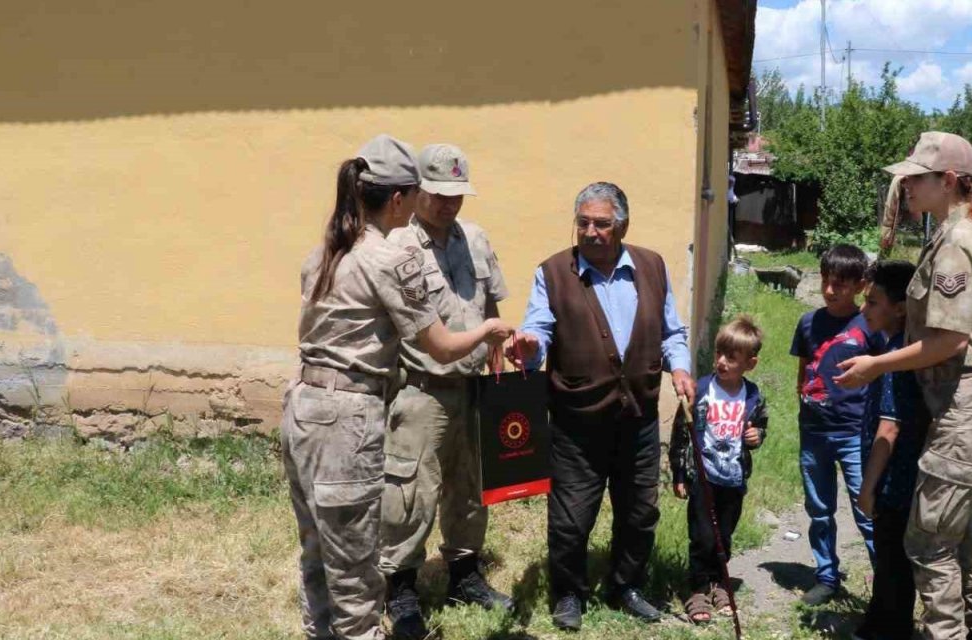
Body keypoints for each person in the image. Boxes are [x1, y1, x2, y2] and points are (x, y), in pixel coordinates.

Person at [282, 134, 512, 640]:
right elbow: (442, 346)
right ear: (400, 198)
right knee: (357, 568)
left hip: (303, 406)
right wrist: (489, 332)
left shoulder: (325, 249)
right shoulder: (390, 257)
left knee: (318, 555)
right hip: (347, 414)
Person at [836, 131, 972, 640]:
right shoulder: (956, 232)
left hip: (968, 407)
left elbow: (948, 341)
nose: (907, 185)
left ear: (950, 181)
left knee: (929, 541)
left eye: (917, 177)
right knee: (970, 534)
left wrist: (876, 365)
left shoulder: (959, 242)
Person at [506, 182, 695, 631]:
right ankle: (569, 592)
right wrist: (530, 348)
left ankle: (626, 585)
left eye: (601, 223)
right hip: (577, 421)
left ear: (622, 225)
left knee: (639, 512)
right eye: (583, 222)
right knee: (571, 518)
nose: (590, 232)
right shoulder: (553, 272)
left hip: (639, 418)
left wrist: (682, 368)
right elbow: (538, 331)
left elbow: (671, 332)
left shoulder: (651, 266)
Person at [378, 144, 513, 640]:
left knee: (471, 487)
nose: (449, 204)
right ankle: (401, 587)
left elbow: (491, 300)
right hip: (423, 388)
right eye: (438, 195)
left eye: (457, 195)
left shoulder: (475, 239)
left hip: (476, 386)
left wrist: (506, 343)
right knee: (411, 491)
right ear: (417, 192)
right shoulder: (398, 247)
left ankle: (463, 574)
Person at [789, 243, 877, 605]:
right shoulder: (808, 322)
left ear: (859, 285)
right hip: (814, 433)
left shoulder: (870, 326)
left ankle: (886, 582)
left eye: (839, 284)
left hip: (855, 433)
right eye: (825, 280)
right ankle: (826, 576)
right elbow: (803, 370)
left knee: (867, 509)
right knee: (819, 509)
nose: (829, 290)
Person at [668, 315, 768, 624]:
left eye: (731, 357)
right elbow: (681, 432)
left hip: (733, 479)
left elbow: (760, 426)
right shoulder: (701, 390)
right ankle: (698, 588)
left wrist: (757, 437)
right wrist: (680, 473)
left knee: (724, 534)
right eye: (719, 354)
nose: (721, 362)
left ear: (749, 364)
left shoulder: (752, 396)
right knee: (702, 536)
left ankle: (718, 584)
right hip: (704, 476)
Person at [852, 260, 928, 640]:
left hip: (894, 481)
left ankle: (890, 629)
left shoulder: (896, 355)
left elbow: (889, 426)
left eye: (873, 302)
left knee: (893, 562)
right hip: (897, 480)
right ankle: (876, 624)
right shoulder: (899, 348)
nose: (863, 309)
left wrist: (867, 488)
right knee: (888, 561)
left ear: (899, 307)